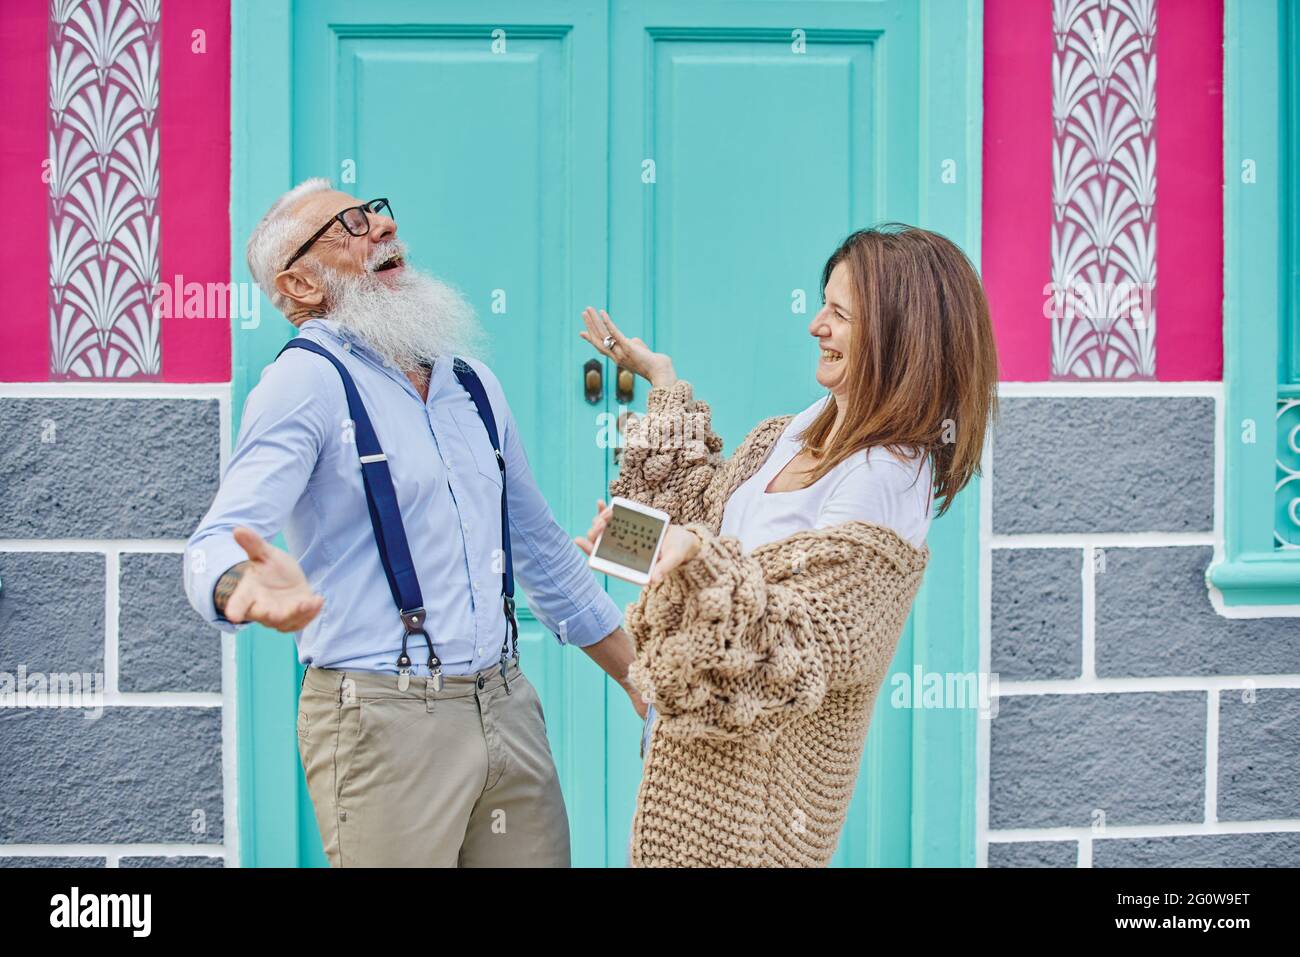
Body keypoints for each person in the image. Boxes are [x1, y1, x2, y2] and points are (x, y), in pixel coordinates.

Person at [184, 178, 643, 867]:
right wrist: (238, 585)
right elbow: (214, 540)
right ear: (301, 286)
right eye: (348, 225)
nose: (379, 229)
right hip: (384, 719)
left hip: (507, 703)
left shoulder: (473, 385)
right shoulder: (304, 384)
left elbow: (546, 556)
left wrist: (644, 682)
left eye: (374, 211)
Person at [576, 224, 999, 867]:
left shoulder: (884, 479)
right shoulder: (794, 432)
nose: (814, 324)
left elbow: (784, 647)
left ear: (898, 336)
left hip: (753, 815)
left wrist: (696, 554)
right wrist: (662, 387)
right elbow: (701, 521)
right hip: (691, 767)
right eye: (822, 302)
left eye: (840, 313)